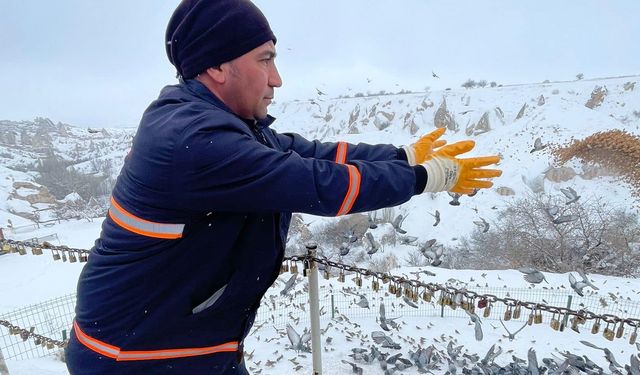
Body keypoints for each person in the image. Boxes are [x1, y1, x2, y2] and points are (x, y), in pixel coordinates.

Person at [65, 0, 501, 374]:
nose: (277, 79)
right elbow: (319, 183)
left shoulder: (223, 126)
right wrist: (429, 177)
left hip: (187, 343)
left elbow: (313, 152)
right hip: (135, 356)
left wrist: (403, 155)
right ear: (217, 65)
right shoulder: (194, 140)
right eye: (265, 59)